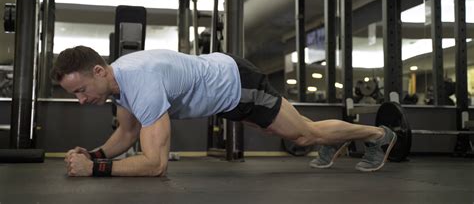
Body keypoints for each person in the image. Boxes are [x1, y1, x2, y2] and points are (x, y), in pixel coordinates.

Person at [52, 46, 397, 177]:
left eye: (80, 90)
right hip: (225, 94)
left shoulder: (140, 80)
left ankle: (378, 135)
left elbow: (155, 164)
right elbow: (127, 133)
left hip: (237, 83)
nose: (81, 100)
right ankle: (332, 142)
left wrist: (93, 169)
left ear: (99, 71)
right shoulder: (119, 82)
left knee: (305, 132)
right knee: (296, 129)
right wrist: (93, 153)